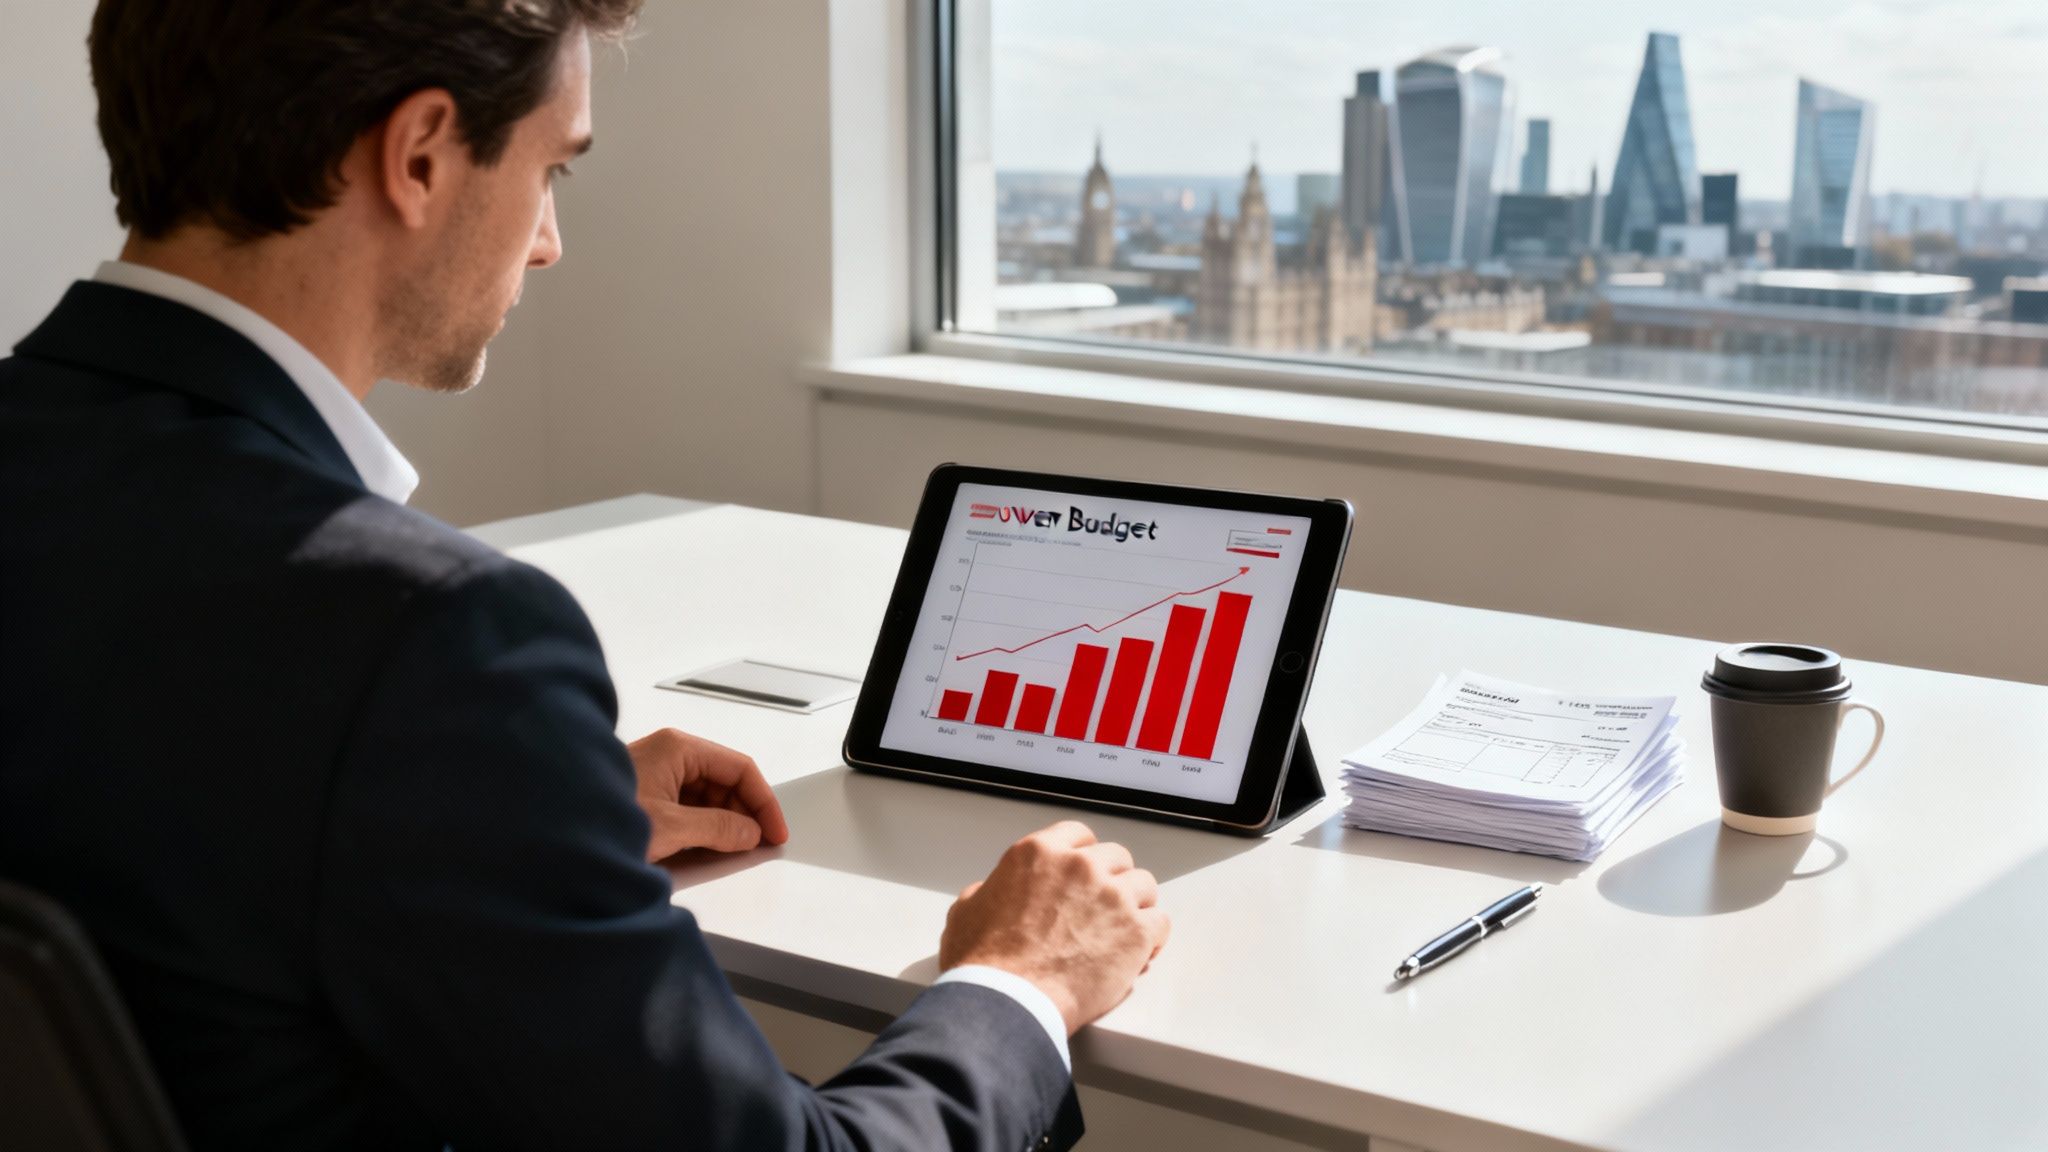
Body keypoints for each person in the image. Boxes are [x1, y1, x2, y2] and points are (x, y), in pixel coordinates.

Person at [0, 2, 1169, 1149]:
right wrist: (1021, 979)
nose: (549, 240)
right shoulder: (427, 637)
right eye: (552, 169)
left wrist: (512, 814)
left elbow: (143, 782)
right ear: (419, 155)